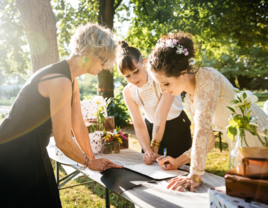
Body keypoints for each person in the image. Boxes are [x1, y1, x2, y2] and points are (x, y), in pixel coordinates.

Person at [0, 23, 122, 208]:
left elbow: (78, 124)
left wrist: (92, 160)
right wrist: (88, 163)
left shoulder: (70, 79)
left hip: (33, 150)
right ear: (88, 51)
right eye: (103, 60)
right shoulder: (59, 81)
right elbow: (63, 140)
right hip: (13, 154)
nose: (105, 66)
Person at [148, 32, 268, 192]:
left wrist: (194, 175)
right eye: (159, 85)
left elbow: (202, 130)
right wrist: (178, 162)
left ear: (183, 74)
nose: (163, 90)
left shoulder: (208, 79)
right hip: (237, 141)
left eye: (166, 83)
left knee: (258, 192)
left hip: (254, 132)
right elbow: (209, 140)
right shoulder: (189, 99)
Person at [116, 41, 192, 165]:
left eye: (136, 71)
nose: (133, 79)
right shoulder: (128, 92)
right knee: (151, 169)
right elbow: (139, 124)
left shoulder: (161, 77)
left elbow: (160, 116)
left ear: (144, 62)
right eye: (127, 76)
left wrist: (154, 149)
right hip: (150, 129)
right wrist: (148, 151)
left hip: (176, 127)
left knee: (179, 169)